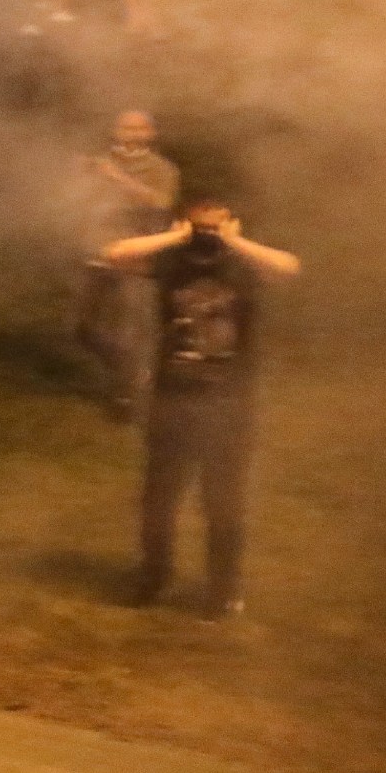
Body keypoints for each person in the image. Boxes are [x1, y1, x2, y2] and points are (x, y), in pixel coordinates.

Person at [102, 196, 300, 617]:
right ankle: (152, 579)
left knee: (222, 500)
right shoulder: (172, 262)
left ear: (231, 224)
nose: (207, 236)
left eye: (215, 226)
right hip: (172, 398)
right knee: (159, 499)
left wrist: (236, 241)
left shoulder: (244, 267)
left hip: (229, 403)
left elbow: (288, 267)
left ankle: (223, 591)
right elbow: (116, 254)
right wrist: (176, 235)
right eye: (201, 227)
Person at [73, 111, 182, 418]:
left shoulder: (162, 169)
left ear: (150, 134)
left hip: (136, 255)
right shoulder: (100, 165)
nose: (132, 133)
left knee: (131, 328)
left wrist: (116, 178)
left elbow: (161, 203)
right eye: (125, 127)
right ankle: (133, 370)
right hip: (98, 250)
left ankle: (126, 396)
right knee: (84, 328)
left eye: (139, 128)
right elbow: (81, 203)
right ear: (116, 131)